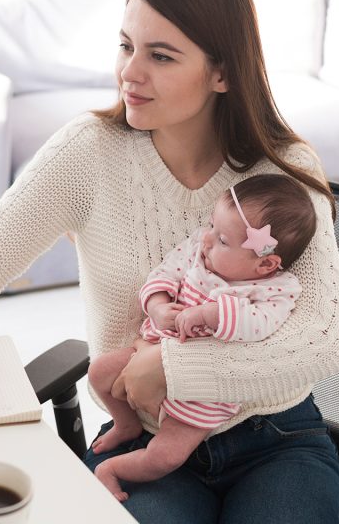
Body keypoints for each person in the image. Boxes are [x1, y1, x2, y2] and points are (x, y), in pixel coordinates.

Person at [0, 0, 339, 523]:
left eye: (161, 56)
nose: (130, 72)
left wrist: (173, 366)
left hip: (276, 437)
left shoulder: (285, 169)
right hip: (141, 438)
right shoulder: (88, 152)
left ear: (222, 72)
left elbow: (326, 338)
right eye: (126, 46)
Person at [89, 174, 317, 501]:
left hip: (205, 395)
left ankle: (112, 469)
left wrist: (213, 314)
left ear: (266, 263)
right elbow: (164, 274)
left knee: (165, 456)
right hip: (149, 351)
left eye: (223, 239)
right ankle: (126, 424)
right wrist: (157, 306)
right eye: (212, 226)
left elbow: (262, 325)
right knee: (98, 372)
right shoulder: (198, 251)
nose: (207, 239)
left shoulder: (273, 290)